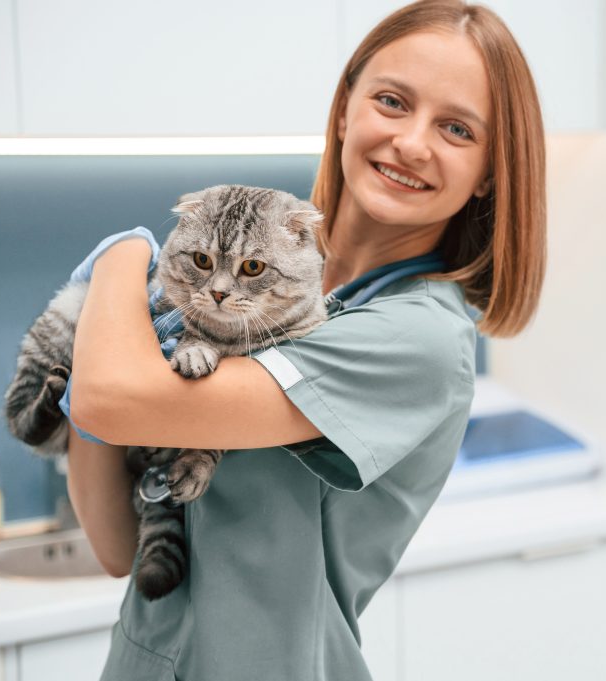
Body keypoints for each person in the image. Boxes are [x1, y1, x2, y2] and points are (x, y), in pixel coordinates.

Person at [66, 1, 545, 678]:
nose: (412, 142)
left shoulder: (419, 337)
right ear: (345, 109)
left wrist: (117, 260)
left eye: (457, 129)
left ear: (491, 171)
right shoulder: (260, 267)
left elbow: (111, 395)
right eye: (391, 100)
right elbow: (119, 543)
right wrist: (83, 392)